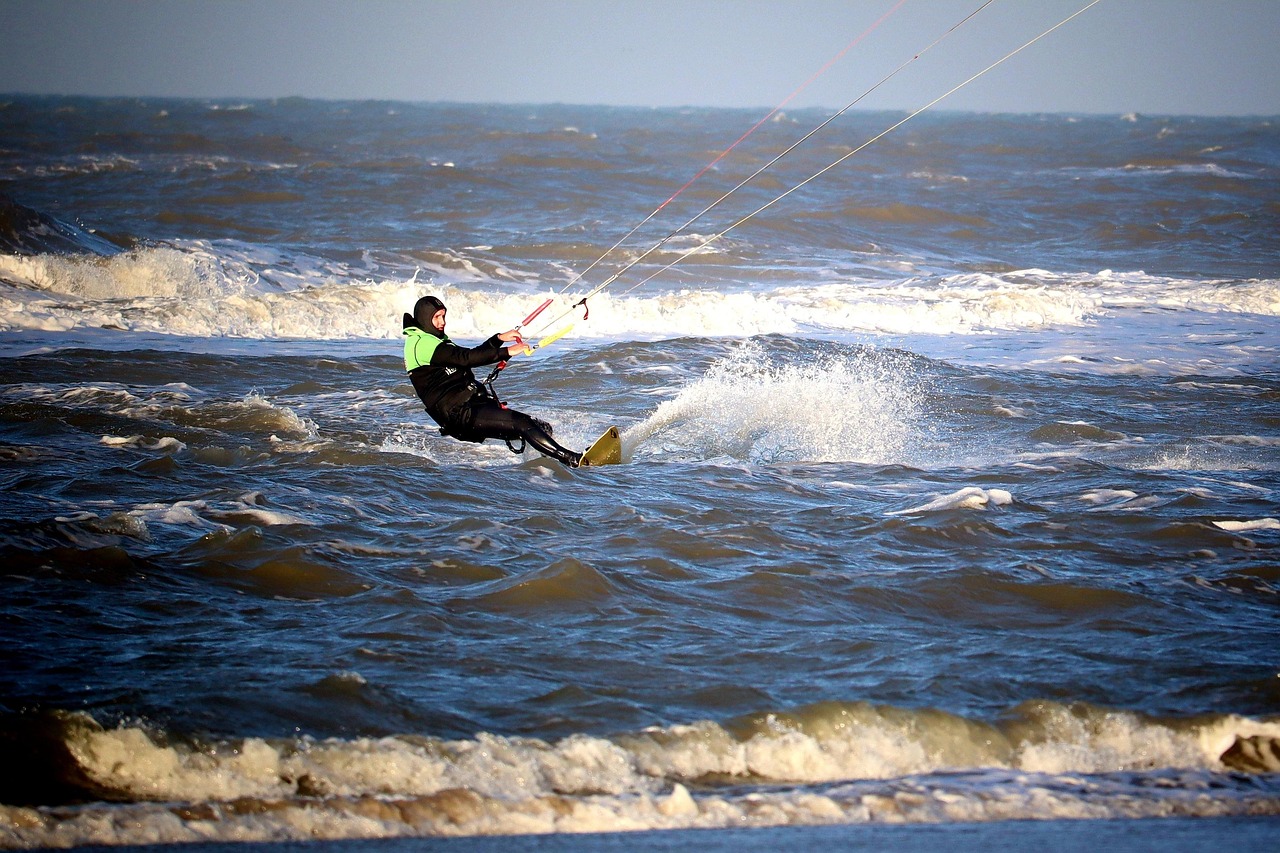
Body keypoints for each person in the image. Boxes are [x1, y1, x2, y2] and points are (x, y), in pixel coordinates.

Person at [403, 295, 583, 467]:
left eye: (443, 316)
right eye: (436, 317)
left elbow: (468, 355)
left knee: (541, 427)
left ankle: (546, 463)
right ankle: (572, 459)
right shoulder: (420, 343)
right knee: (522, 424)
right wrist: (507, 351)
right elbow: (466, 358)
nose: (442, 322)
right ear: (425, 318)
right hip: (459, 415)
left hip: (470, 405)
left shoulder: (433, 339)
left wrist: (497, 340)